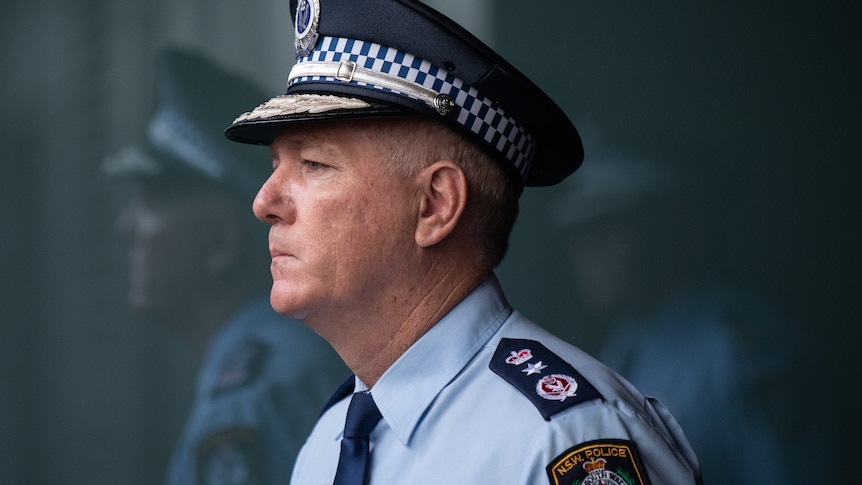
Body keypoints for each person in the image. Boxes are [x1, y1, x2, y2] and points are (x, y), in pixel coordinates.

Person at [222, 0, 702, 483]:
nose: (264, 202)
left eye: (314, 165)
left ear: (434, 205)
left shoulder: (569, 442)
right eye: (274, 167)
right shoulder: (328, 444)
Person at [105, 46, 347, 485]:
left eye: (153, 199)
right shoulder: (282, 359)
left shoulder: (255, 390)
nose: (127, 228)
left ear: (219, 242)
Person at [553, 157, 834, 484]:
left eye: (610, 227)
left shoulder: (743, 348)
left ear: (679, 230)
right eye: (581, 233)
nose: (589, 249)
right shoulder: (622, 349)